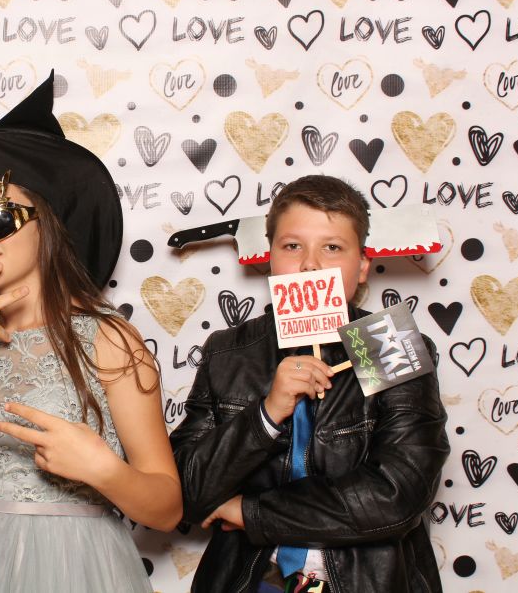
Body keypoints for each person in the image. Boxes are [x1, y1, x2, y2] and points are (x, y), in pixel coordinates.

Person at [0, 73, 183, 593]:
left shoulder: (109, 340)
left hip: (80, 568)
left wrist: (103, 470)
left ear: (47, 219)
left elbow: (167, 510)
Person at [169, 175, 449, 593]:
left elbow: (399, 493)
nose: (310, 265)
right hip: (250, 580)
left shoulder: (386, 343)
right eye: (292, 246)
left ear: (362, 265)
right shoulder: (230, 352)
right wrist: (267, 415)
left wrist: (251, 512)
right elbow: (183, 491)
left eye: (332, 247)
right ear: (269, 258)